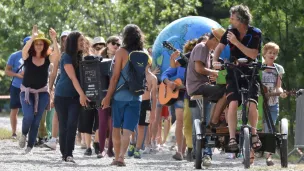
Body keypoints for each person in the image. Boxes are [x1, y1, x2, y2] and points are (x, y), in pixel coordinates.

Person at [213, 4, 262, 164]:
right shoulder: (229, 32)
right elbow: (219, 49)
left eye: (232, 18)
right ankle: (232, 138)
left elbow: (253, 54)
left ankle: (254, 134)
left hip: (250, 71)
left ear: (240, 19)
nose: (230, 20)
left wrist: (236, 42)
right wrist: (214, 61)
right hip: (233, 70)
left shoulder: (255, 33)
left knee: (252, 105)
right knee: (233, 103)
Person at [101, 24, 145, 166]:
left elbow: (114, 77)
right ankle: (121, 157)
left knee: (116, 127)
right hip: (136, 96)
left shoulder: (121, 52)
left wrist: (107, 97)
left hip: (120, 95)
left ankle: (116, 158)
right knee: (128, 130)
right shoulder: (144, 53)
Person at [18, 25, 60, 154]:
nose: (39, 46)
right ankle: (24, 133)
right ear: (33, 45)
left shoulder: (47, 58)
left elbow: (57, 55)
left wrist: (54, 39)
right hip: (26, 92)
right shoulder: (28, 57)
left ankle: (30, 146)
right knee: (29, 116)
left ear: (44, 46)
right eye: (37, 44)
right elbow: (24, 51)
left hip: (42, 93)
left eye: (41, 44)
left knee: (37, 120)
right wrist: (33, 37)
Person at [54, 31, 89, 163]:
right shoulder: (66, 57)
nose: (83, 43)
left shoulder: (81, 57)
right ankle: (64, 153)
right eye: (80, 40)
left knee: (72, 125)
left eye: (83, 40)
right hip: (62, 96)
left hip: (75, 97)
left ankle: (69, 154)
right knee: (64, 125)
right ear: (73, 42)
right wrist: (82, 95)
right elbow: (73, 78)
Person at [261, 42, 287, 166]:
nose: (272, 55)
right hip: (259, 103)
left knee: (271, 129)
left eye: (275, 53)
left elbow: (278, 87)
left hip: (272, 103)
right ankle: (250, 152)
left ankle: (268, 157)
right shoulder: (258, 67)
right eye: (270, 52)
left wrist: (281, 93)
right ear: (264, 54)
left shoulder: (278, 69)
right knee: (258, 128)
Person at [44, 30, 70, 150]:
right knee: (57, 113)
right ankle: (54, 139)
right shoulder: (60, 54)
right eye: (63, 39)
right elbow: (54, 71)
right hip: (60, 84)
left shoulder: (78, 52)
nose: (65, 41)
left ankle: (69, 138)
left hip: (74, 86)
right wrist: (50, 88)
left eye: (67, 39)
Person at [129, 56, 157, 159]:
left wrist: (153, 112)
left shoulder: (153, 78)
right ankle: (132, 142)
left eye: (145, 63)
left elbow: (154, 96)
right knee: (131, 125)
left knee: (143, 126)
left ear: (149, 64)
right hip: (135, 102)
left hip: (146, 104)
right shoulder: (135, 75)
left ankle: (138, 148)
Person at [98, 35, 121, 158]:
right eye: (113, 43)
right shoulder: (99, 59)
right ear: (107, 44)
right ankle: (101, 149)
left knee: (113, 122)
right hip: (102, 94)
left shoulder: (121, 59)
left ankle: (111, 149)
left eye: (118, 44)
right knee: (102, 121)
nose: (116, 46)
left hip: (117, 94)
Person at [5, 36, 31, 139]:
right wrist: (18, 75)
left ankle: (26, 133)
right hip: (16, 86)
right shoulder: (14, 56)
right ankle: (14, 133)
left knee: (29, 110)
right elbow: (7, 71)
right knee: (14, 109)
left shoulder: (36, 56)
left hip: (30, 86)